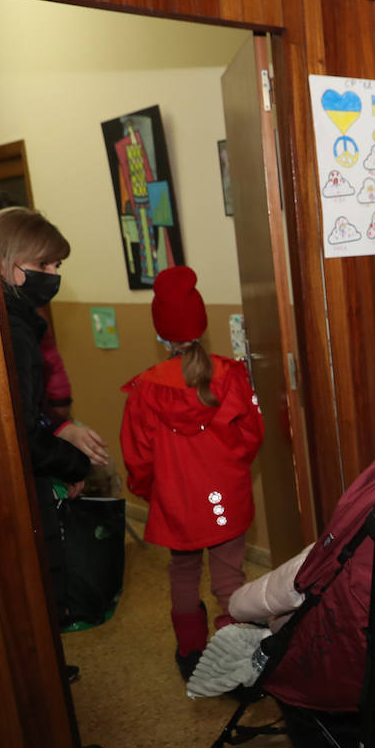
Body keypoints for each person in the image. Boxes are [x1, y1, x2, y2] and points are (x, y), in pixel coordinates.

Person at [0, 205, 106, 748]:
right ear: (13, 265)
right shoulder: (11, 332)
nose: (54, 274)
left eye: (59, 263)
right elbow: (16, 429)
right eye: (45, 263)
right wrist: (71, 464)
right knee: (37, 602)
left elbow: (31, 410)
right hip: (22, 493)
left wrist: (62, 425)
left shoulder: (17, 321)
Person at [120, 266, 264, 680]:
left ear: (161, 333)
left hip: (177, 504)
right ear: (201, 325)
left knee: (182, 573)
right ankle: (237, 655)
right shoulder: (231, 376)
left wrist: (152, 492)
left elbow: (137, 457)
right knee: (229, 575)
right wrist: (228, 473)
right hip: (226, 502)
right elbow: (251, 436)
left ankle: (191, 653)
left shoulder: (145, 389)